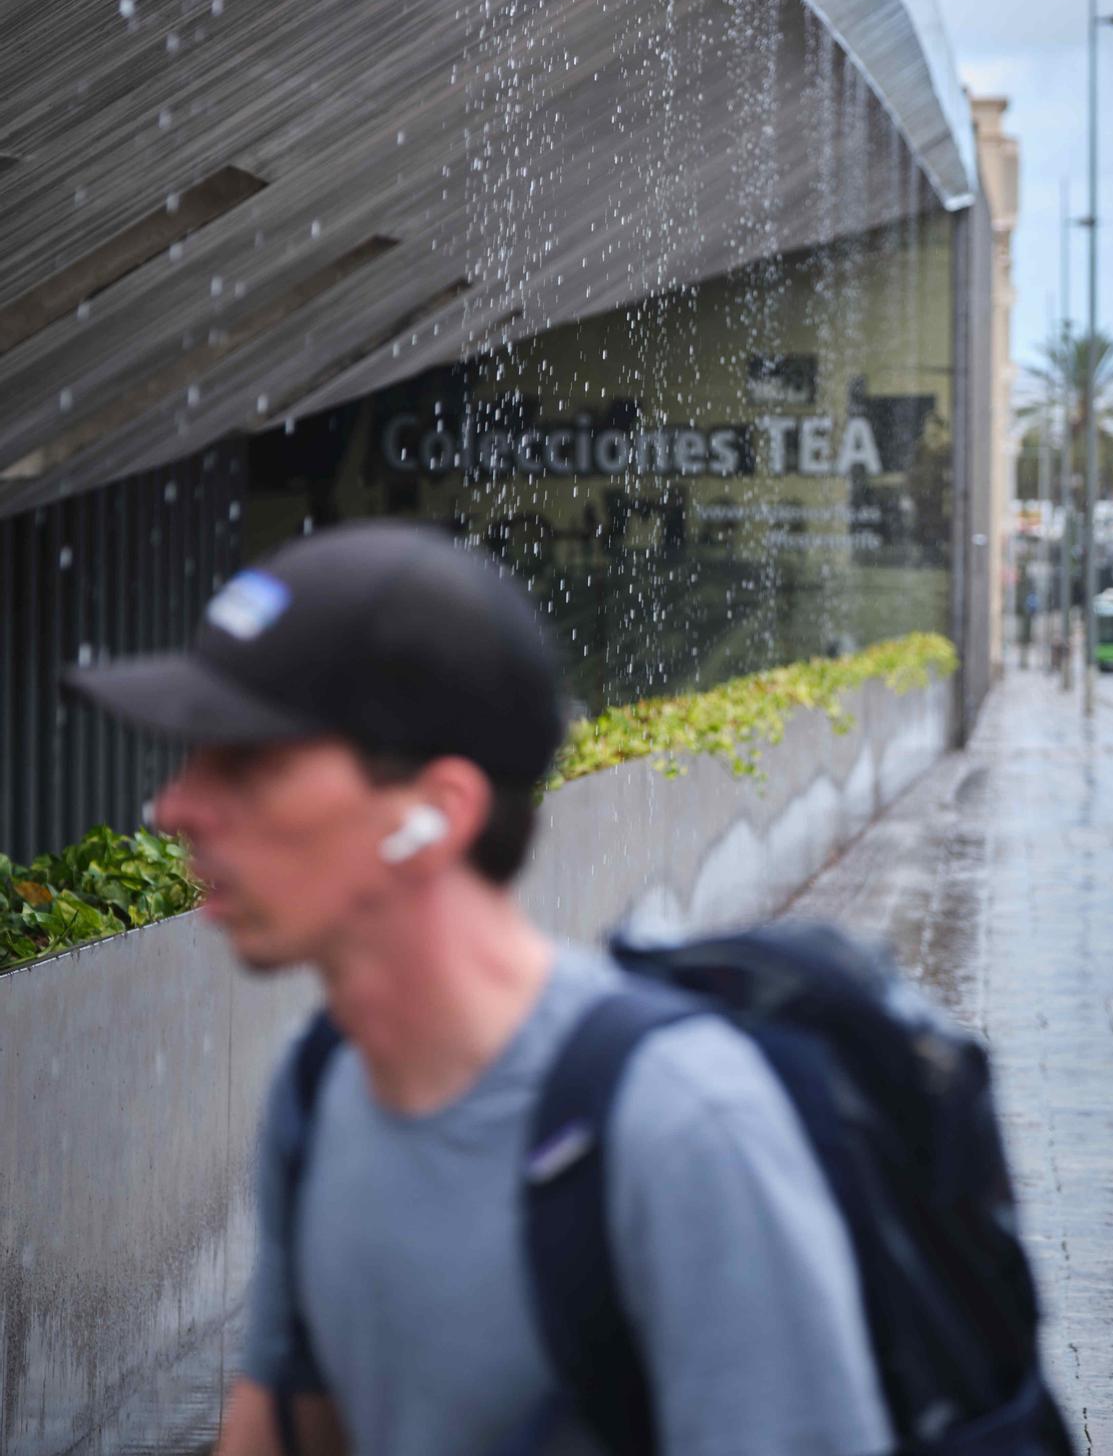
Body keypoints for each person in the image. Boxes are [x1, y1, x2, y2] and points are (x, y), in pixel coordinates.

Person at [66, 521, 888, 1456]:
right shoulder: (322, 1082)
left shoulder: (680, 1125)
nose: (176, 808)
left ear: (437, 813)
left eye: (249, 762)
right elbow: (285, 1422)